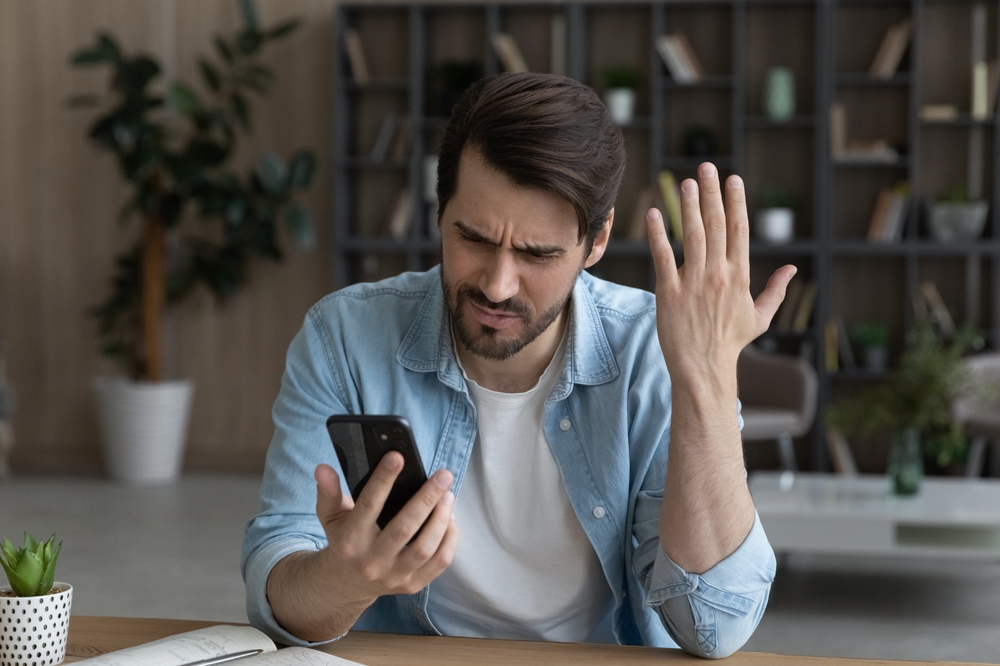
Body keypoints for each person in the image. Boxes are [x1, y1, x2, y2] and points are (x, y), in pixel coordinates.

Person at [242, 72, 795, 658]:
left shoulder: (654, 351)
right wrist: (346, 579)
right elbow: (278, 593)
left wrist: (706, 380)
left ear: (598, 240)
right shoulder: (343, 338)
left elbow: (713, 627)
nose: (498, 285)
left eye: (538, 254)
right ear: (438, 212)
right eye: (475, 238)